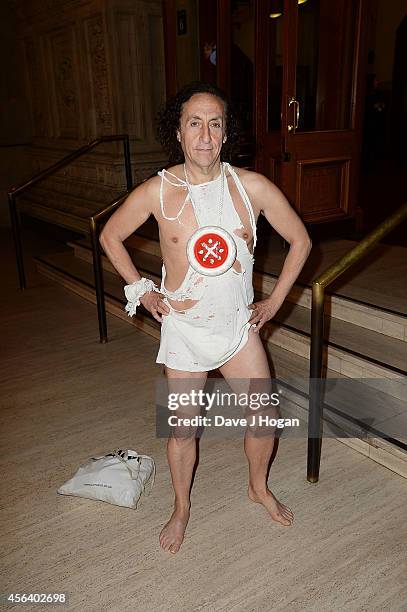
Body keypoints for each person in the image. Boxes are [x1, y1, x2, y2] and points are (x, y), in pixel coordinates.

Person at [100, 82, 312, 554]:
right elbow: (111, 236)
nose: (205, 134)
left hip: (238, 329)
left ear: (224, 132)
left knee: (265, 417)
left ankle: (257, 487)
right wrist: (142, 289)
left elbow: (301, 240)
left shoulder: (251, 186)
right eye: (194, 122)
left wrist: (276, 302)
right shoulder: (159, 190)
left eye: (215, 123)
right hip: (186, 331)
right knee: (183, 429)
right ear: (177, 131)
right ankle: (180, 508)